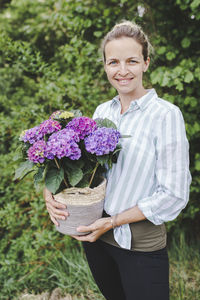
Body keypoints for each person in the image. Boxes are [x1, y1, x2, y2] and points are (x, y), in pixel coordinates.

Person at [44, 20, 191, 300]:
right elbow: (84, 170)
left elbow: (174, 194)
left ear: (146, 63)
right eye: (113, 62)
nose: (122, 71)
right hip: (96, 238)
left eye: (132, 61)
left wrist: (112, 223)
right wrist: (49, 190)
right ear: (105, 66)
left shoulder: (166, 115)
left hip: (139, 245)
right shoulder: (103, 111)